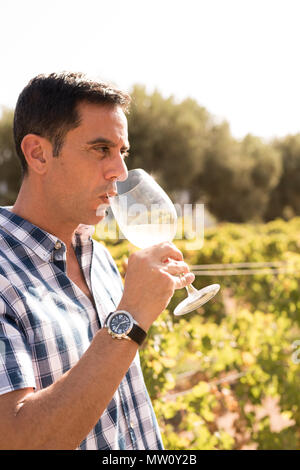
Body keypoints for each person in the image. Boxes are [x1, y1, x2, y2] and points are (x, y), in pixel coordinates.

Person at [0, 72, 195, 450]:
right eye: (100, 149)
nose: (120, 173)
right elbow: (19, 440)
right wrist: (132, 316)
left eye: (122, 152)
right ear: (38, 153)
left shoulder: (98, 257)